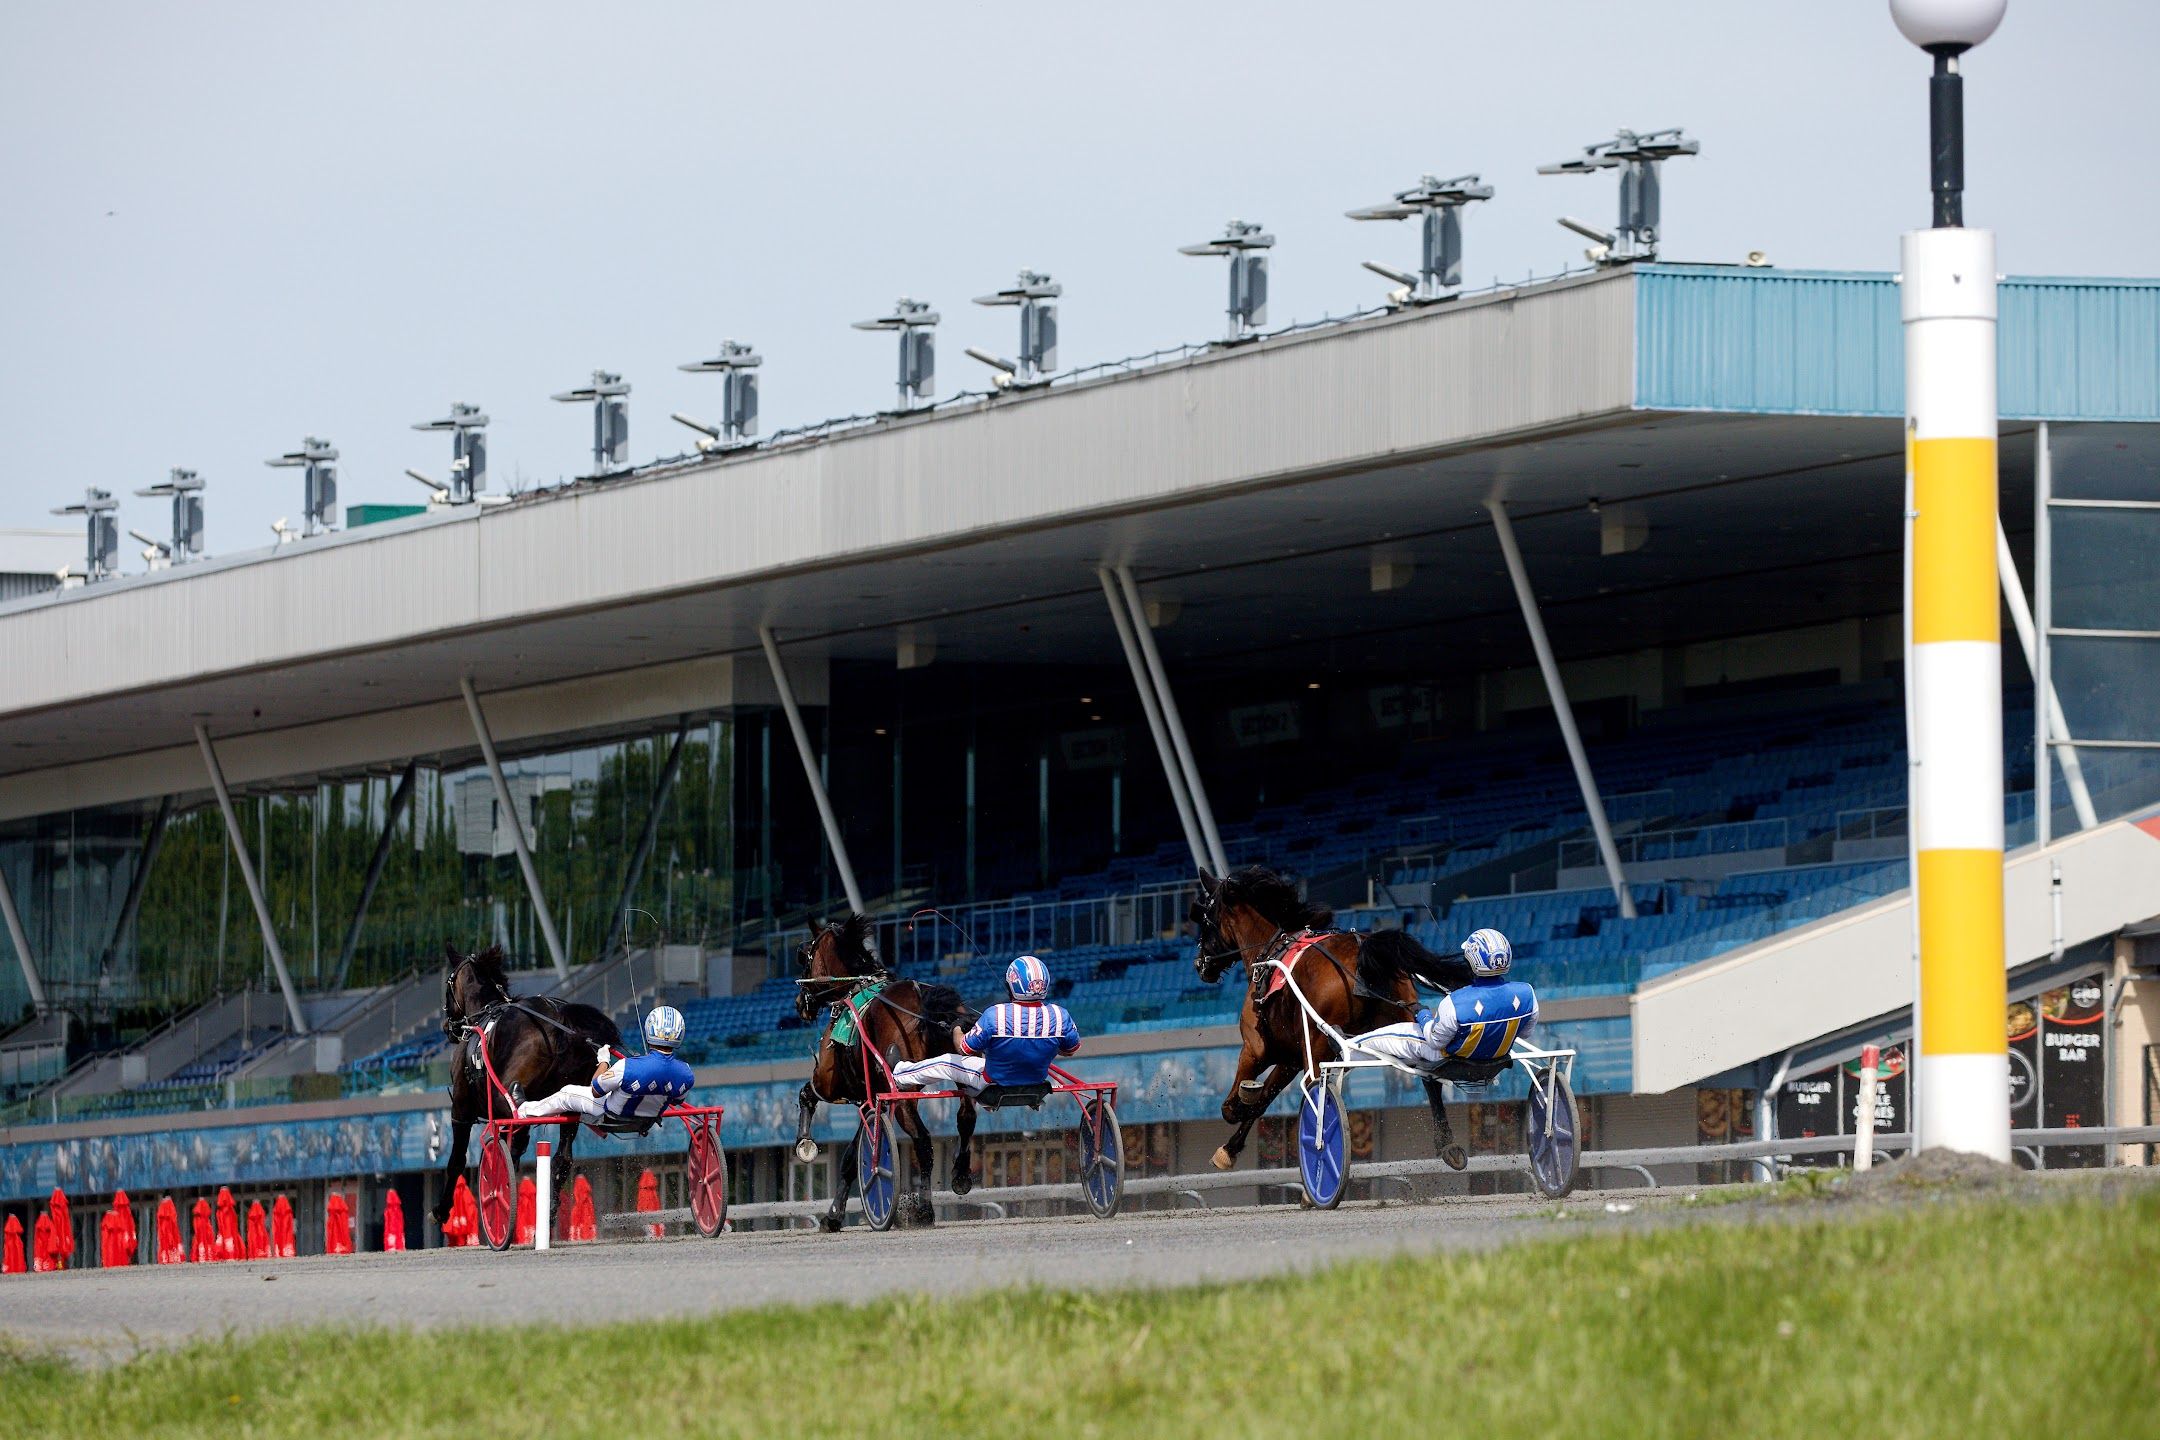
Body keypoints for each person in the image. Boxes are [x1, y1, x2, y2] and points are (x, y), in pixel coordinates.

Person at [1348, 928, 1537, 1070]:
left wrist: (1422, 1014)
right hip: (1498, 1054)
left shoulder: (1454, 1003)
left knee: (1370, 1041)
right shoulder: (1527, 993)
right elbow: (1525, 1033)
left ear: (1471, 960)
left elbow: (1434, 1041)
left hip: (1448, 1056)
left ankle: (1343, 1051)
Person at [890, 956, 1079, 1095]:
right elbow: (1069, 1050)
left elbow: (964, 1049)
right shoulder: (1060, 1015)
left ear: (1011, 985)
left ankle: (899, 1075)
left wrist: (957, 1027)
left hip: (993, 1083)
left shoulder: (995, 1014)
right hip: (1038, 1081)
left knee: (945, 1061)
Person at [516, 1007, 694, 1124]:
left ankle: (524, 1111)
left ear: (650, 1029)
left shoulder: (626, 1067)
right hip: (648, 1118)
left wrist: (604, 1061)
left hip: (613, 1113)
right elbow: (677, 1100)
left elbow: (595, 1088)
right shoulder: (686, 1073)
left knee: (566, 1093)